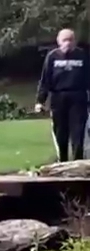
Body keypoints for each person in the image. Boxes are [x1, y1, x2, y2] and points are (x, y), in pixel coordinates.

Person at [36, 27, 90, 161]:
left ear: (75, 41)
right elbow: (45, 80)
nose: (68, 43)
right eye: (65, 40)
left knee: (78, 132)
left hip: (78, 98)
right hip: (58, 98)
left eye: (71, 40)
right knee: (61, 133)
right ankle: (62, 161)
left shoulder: (82, 55)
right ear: (59, 41)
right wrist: (40, 101)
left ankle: (78, 161)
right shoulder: (52, 57)